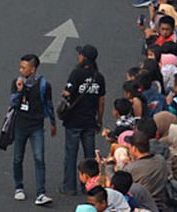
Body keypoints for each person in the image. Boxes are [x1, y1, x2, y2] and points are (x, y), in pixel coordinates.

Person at [10, 54, 55, 206]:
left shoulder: (44, 85)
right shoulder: (16, 82)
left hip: (36, 126)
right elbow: (13, 103)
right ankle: (19, 187)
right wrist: (19, 91)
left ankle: (41, 193)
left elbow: (49, 104)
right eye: (20, 67)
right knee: (18, 157)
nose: (20, 70)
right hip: (20, 126)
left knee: (39, 158)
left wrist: (53, 123)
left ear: (33, 69)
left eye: (24, 67)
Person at [60, 45, 106, 196]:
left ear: (84, 57)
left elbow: (67, 93)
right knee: (90, 157)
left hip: (73, 121)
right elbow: (101, 101)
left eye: (80, 54)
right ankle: (91, 187)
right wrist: (99, 120)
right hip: (89, 122)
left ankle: (69, 187)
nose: (78, 56)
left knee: (71, 155)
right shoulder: (99, 77)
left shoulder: (76, 73)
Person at [124, 131, 169, 210]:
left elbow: (118, 184)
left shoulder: (130, 169)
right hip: (162, 205)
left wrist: (109, 165)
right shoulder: (161, 160)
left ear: (134, 148)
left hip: (142, 207)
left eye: (130, 146)